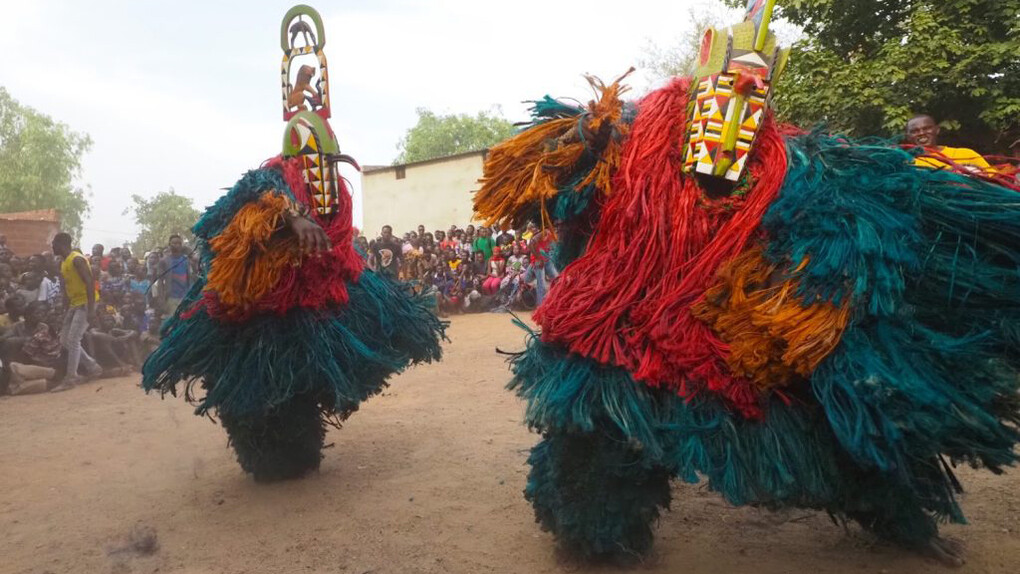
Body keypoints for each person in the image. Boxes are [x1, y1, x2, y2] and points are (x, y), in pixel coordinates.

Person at [473, 3, 1019, 566]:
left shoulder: (793, 171)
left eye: (749, 103)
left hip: (730, 323)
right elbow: (541, 192)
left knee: (845, 399)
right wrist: (583, 144)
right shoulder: (633, 159)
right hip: (621, 321)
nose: (730, 125)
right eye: (721, 104)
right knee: (600, 416)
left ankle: (897, 515)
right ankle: (594, 530)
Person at [142, 4, 445, 484]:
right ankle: (269, 445)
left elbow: (333, 237)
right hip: (264, 308)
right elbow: (259, 193)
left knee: (318, 365)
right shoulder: (275, 181)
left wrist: (305, 94)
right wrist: (294, 215)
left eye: (322, 158)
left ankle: (299, 437)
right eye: (305, 156)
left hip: (320, 294)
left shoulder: (335, 196)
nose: (313, 165)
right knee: (261, 381)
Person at [50, 232, 103, 391]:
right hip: (75, 304)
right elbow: (66, 289)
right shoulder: (64, 262)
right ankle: (93, 367)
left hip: (85, 303)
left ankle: (71, 378)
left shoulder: (77, 259)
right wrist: (66, 310)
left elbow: (89, 283)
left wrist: (92, 310)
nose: (52, 247)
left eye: (53, 244)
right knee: (65, 339)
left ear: (60, 244)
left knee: (73, 340)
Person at [906, 114, 992, 173]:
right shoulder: (907, 163)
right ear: (908, 136)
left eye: (927, 128)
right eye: (915, 131)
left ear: (937, 130)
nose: (921, 133)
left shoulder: (966, 154)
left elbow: (995, 180)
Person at [157, 234, 192, 315]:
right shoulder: (164, 261)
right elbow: (160, 281)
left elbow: (190, 278)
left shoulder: (186, 260)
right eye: (174, 243)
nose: (177, 245)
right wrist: (161, 299)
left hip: (185, 297)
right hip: (171, 297)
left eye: (179, 243)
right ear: (169, 245)